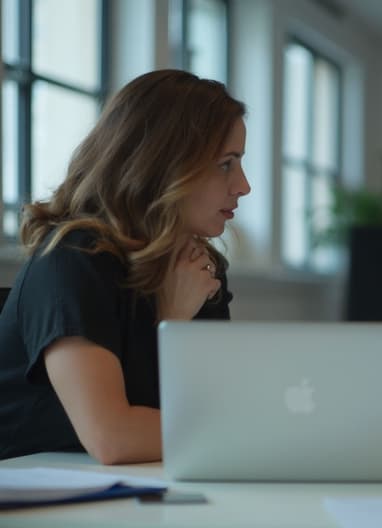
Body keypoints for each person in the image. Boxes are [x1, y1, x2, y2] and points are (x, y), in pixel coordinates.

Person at [0, 69, 251, 464]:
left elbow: (199, 412)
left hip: (131, 485)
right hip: (35, 495)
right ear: (163, 164)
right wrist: (170, 323)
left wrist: (175, 322)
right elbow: (114, 437)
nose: (243, 185)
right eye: (226, 164)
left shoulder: (197, 268)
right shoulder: (72, 259)